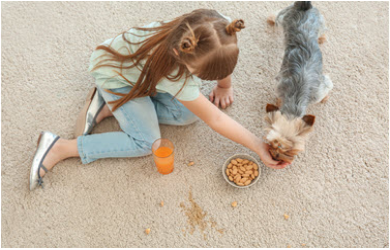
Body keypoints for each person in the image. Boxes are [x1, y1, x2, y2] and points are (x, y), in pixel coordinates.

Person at [30, 9, 289, 191]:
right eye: (198, 75)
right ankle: (61, 146)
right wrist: (257, 145)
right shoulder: (173, 75)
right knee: (147, 142)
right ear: (180, 56)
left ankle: (115, 107)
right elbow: (215, 118)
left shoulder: (218, 26)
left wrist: (224, 84)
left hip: (139, 76)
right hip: (116, 79)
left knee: (190, 114)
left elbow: (223, 59)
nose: (201, 80)